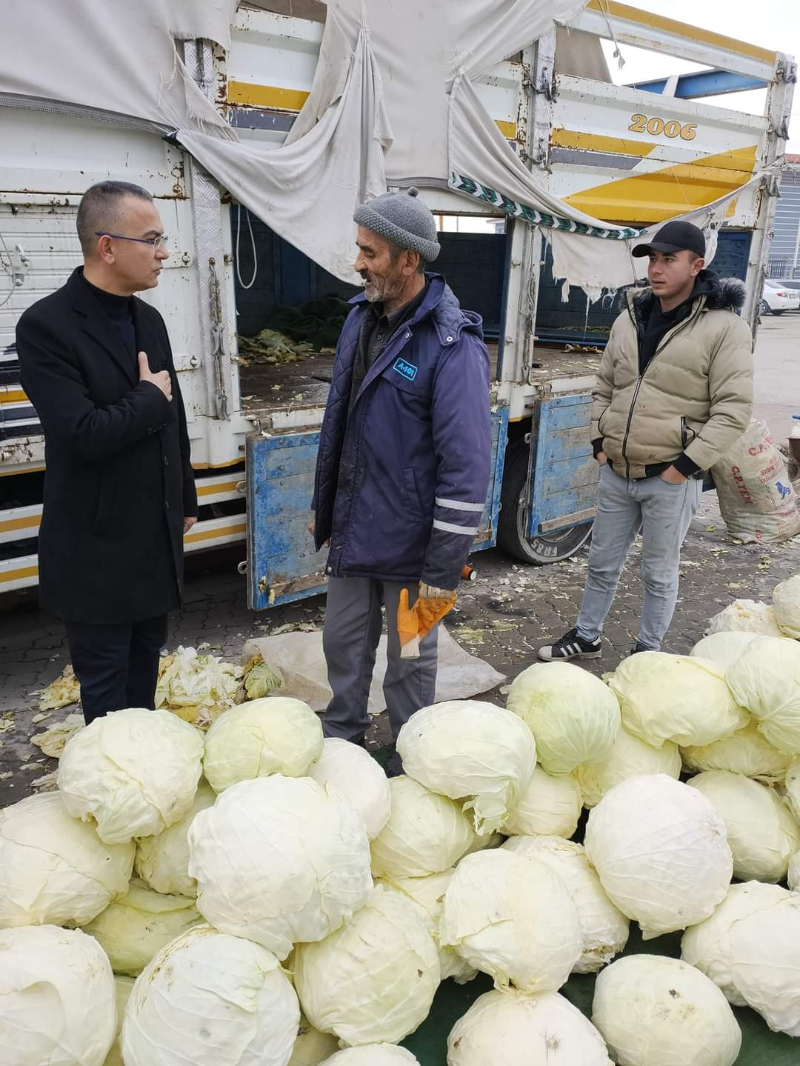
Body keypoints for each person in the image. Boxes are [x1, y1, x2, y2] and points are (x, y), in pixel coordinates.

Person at [312, 188, 492, 757]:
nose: (359, 263)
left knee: (412, 659)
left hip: (419, 550)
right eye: (359, 249)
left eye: (371, 253)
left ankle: (413, 754)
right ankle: (341, 741)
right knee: (342, 646)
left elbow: (467, 468)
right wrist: (327, 509)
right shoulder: (359, 320)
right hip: (357, 532)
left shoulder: (452, 343)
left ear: (409, 259)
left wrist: (444, 568)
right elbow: (340, 422)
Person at [16, 181, 197, 723]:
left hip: (152, 544)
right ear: (108, 246)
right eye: (152, 239)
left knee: (144, 676)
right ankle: (111, 783)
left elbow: (175, 420)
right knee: (104, 691)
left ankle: (143, 770)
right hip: (94, 551)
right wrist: (146, 398)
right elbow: (81, 433)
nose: (165, 252)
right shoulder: (46, 326)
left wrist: (185, 496)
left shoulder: (149, 319)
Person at [539, 220, 753, 662]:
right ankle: (587, 634)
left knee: (658, 573)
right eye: (652, 258)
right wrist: (600, 440)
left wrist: (683, 468)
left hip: (671, 477)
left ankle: (647, 654)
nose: (656, 268)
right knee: (600, 565)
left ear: (697, 265)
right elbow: (604, 387)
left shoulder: (724, 328)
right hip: (618, 470)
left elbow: (732, 411)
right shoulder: (629, 317)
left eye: (668, 259)